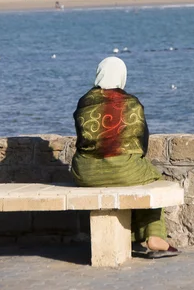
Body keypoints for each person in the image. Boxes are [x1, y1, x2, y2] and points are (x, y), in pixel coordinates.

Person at [72, 56, 179, 258]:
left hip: (85, 173)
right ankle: (154, 236)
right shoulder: (132, 103)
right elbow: (142, 143)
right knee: (153, 179)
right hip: (125, 169)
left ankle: (129, 236)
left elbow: (81, 138)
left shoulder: (84, 102)